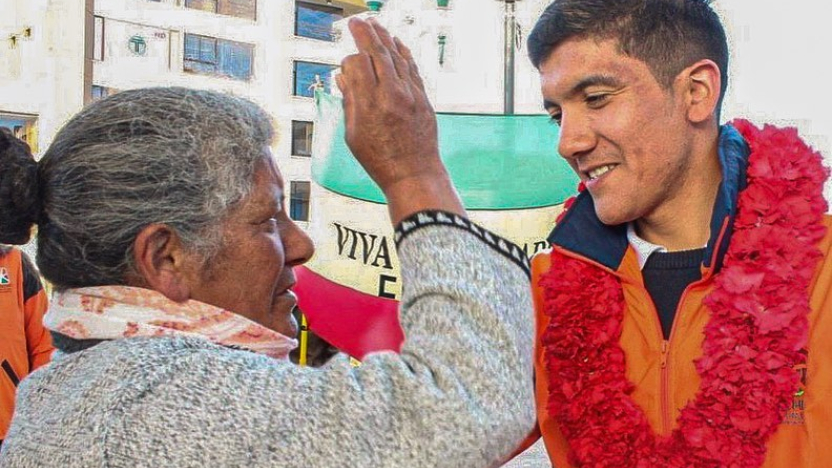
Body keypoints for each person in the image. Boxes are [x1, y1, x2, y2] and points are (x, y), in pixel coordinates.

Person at [0, 19, 535, 467]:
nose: (300, 245)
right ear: (166, 257)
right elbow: (465, 406)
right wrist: (414, 174)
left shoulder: (75, 391)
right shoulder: (151, 398)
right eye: (267, 220)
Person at [518, 0, 831, 467]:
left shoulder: (823, 272)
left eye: (597, 98)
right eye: (557, 115)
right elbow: (438, 432)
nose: (569, 142)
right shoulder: (543, 293)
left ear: (696, 92)